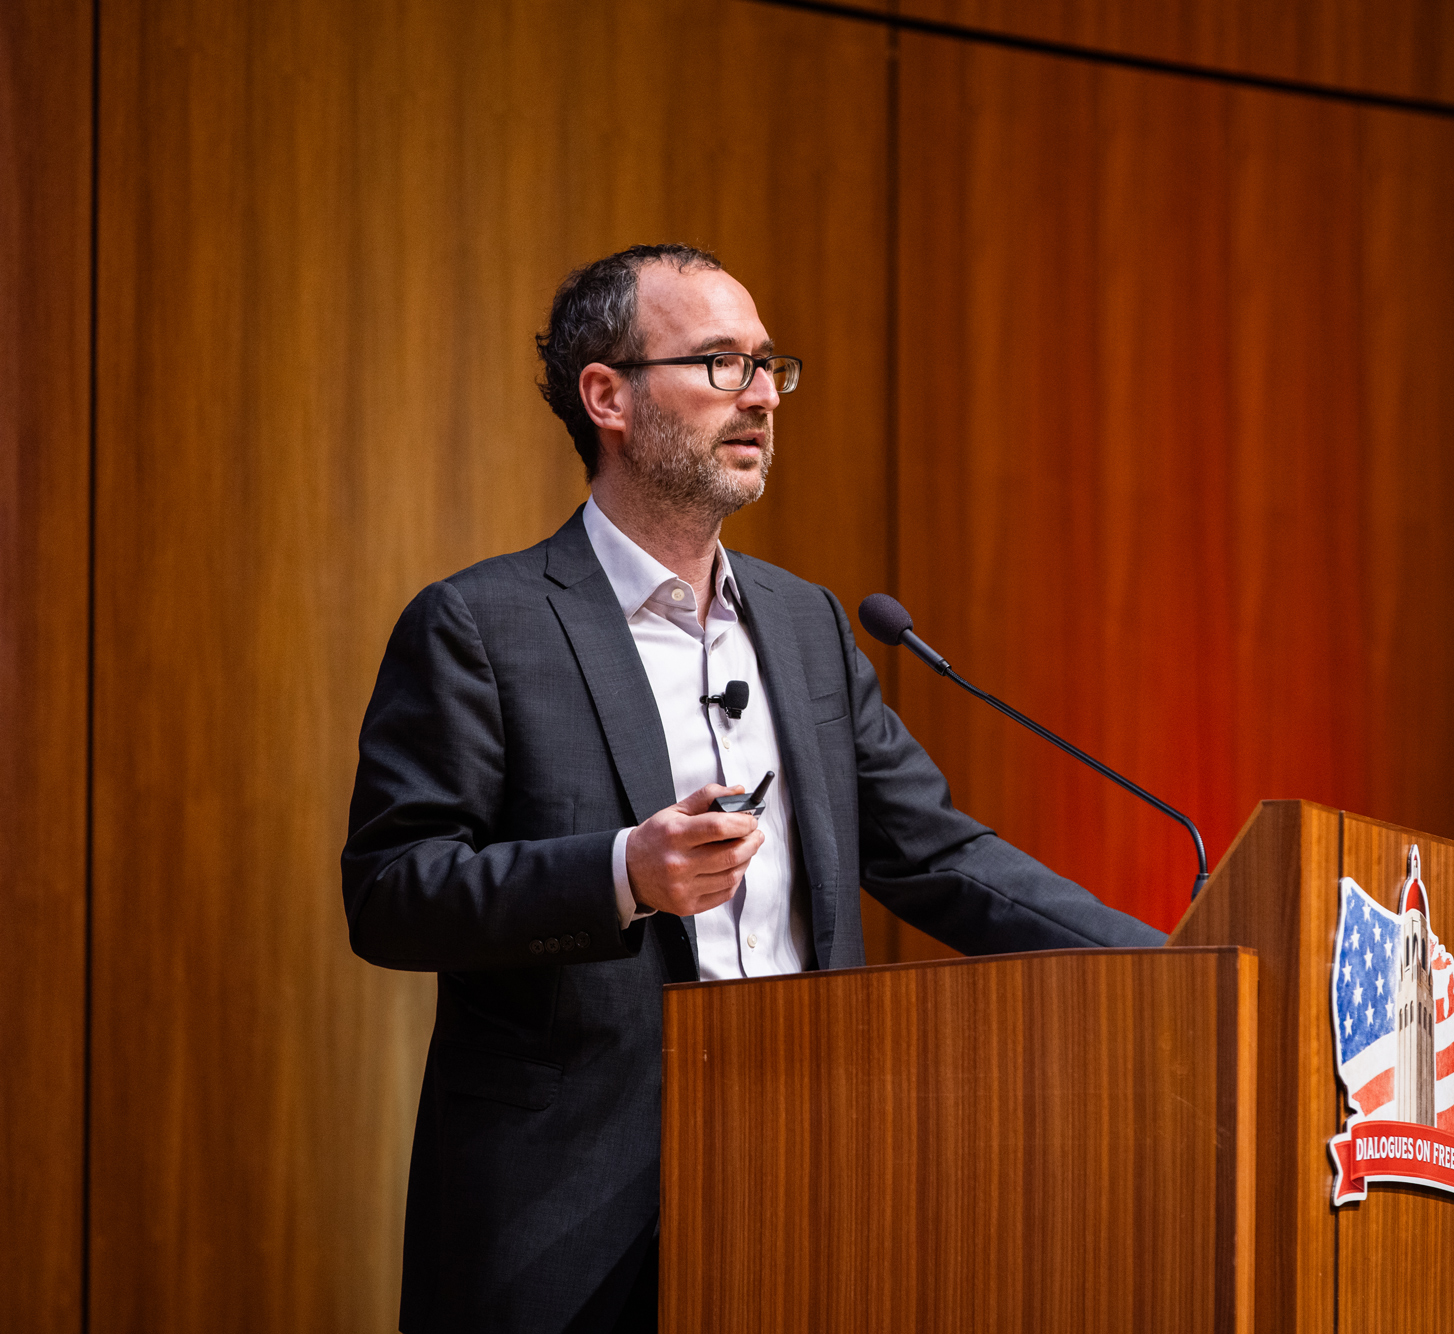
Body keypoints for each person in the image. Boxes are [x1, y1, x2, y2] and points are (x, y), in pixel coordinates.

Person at [342, 243, 1165, 1334]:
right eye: (723, 363)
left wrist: (1167, 968)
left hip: (806, 1193)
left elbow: (940, 855)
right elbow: (394, 890)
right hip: (565, 1215)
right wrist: (621, 871)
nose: (764, 395)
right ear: (608, 396)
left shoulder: (808, 625)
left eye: (769, 364)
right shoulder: (481, 626)